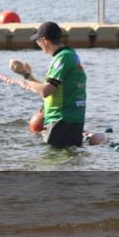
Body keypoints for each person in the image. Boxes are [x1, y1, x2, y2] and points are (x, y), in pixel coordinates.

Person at [9, 21, 87, 149]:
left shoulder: (63, 58)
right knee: (67, 163)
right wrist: (26, 74)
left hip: (61, 121)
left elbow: (46, 91)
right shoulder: (68, 55)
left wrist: (26, 82)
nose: (38, 45)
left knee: (52, 163)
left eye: (38, 41)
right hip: (71, 120)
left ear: (44, 40)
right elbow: (50, 90)